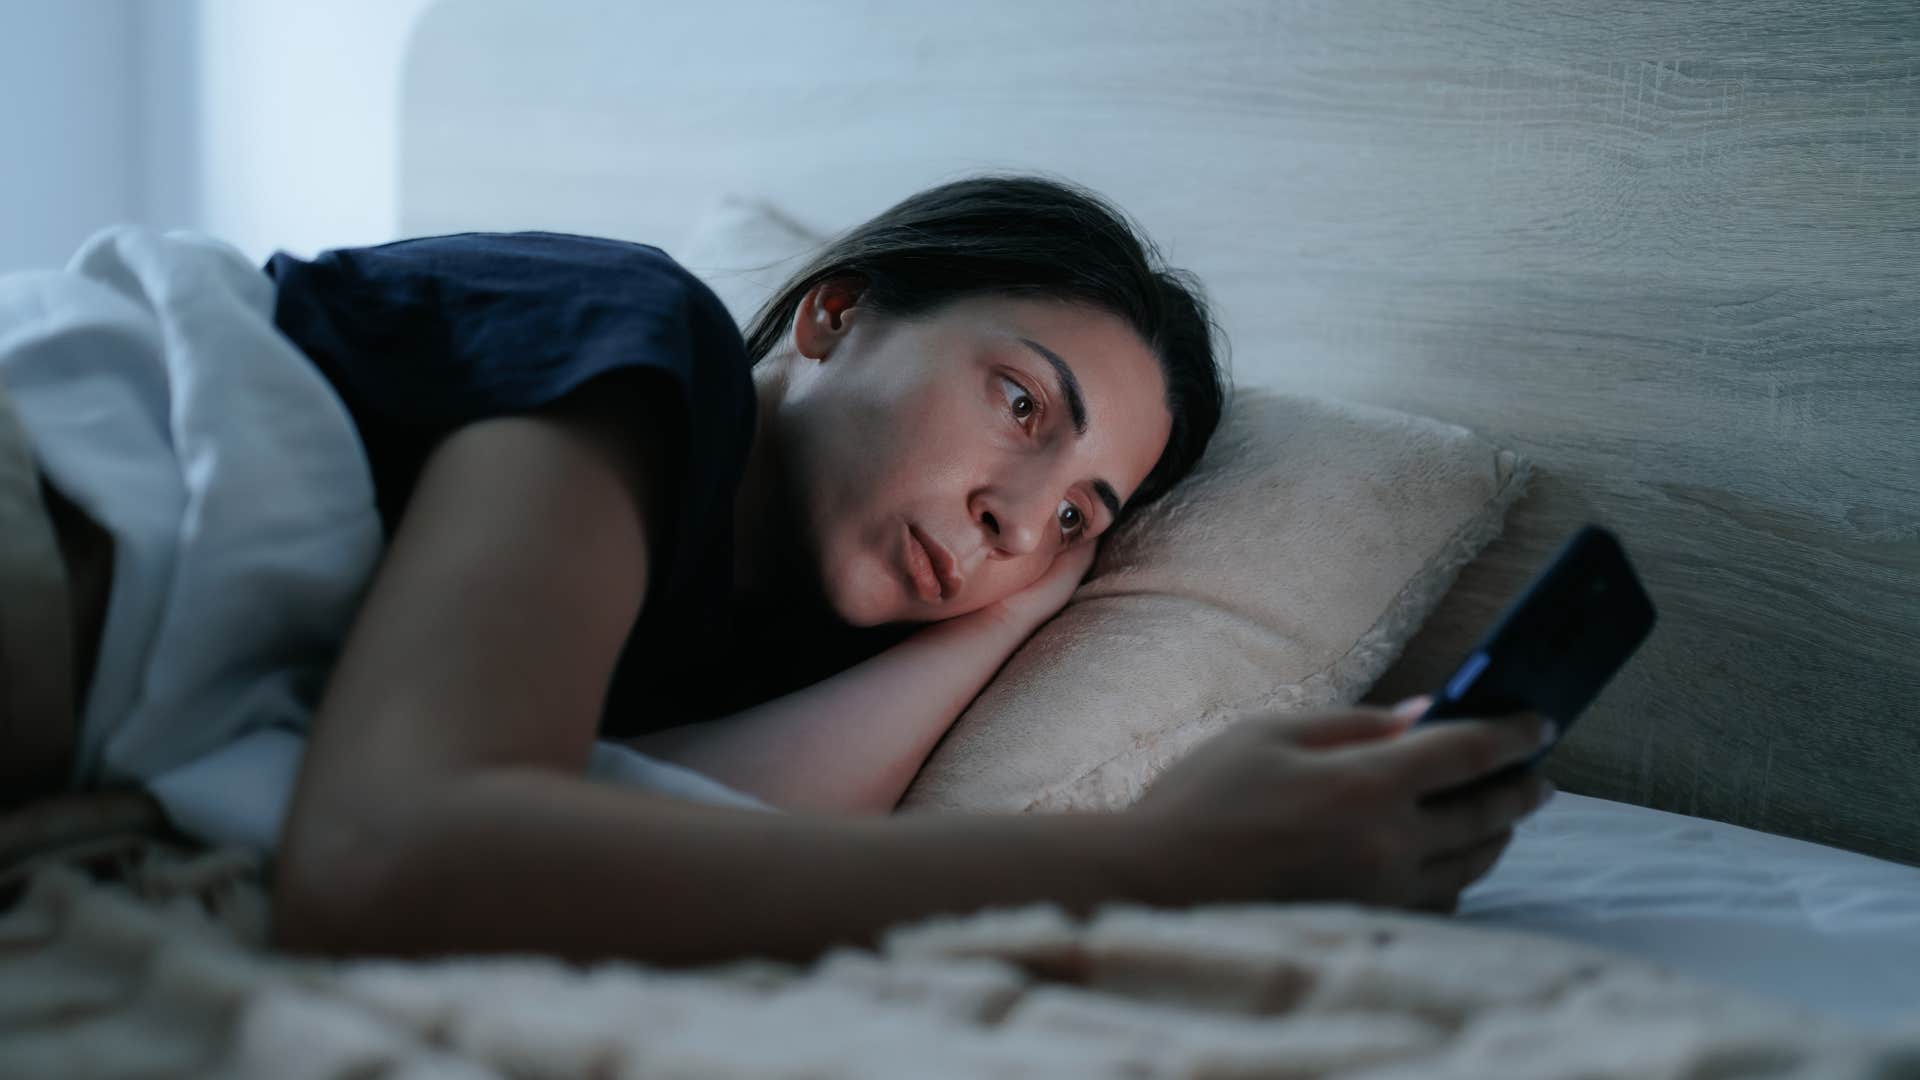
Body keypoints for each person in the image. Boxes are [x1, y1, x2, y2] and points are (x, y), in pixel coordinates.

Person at [12, 175, 1554, 966]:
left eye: (1086, 511)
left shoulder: (739, 625)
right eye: (1020, 404)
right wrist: (1164, 864)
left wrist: (1004, 615)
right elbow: (391, 858)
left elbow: (682, 824)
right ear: (829, 318)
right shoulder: (641, 348)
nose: (1026, 513)